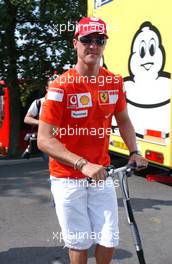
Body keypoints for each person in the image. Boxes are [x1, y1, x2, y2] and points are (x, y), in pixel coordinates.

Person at [38, 17, 148, 264]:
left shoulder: (113, 82)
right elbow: (44, 140)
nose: (93, 45)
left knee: (109, 237)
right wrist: (81, 164)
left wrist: (134, 151)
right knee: (79, 241)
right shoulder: (60, 87)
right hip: (68, 178)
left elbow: (123, 119)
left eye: (100, 40)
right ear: (75, 43)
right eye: (87, 40)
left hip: (102, 174)